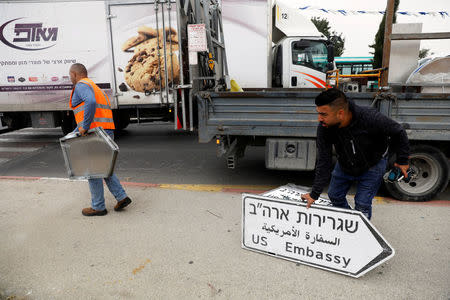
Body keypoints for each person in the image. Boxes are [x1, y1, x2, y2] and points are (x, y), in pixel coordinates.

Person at [301, 88, 410, 219]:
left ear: (340, 113)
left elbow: (399, 132)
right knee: (335, 196)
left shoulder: (369, 117)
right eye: (318, 113)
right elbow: (324, 161)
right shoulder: (324, 128)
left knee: (362, 204)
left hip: (373, 165)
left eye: (323, 114)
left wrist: (402, 161)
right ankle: (348, 222)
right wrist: (314, 194)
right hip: (345, 164)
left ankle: (359, 233)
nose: (319, 119)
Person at [69, 63, 132, 216]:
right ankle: (121, 197)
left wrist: (84, 126)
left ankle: (98, 207)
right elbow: (93, 110)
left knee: (92, 169)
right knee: (103, 167)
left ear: (75, 74)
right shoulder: (94, 87)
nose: (70, 78)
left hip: (95, 133)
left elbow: (90, 103)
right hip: (106, 131)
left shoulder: (81, 86)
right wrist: (75, 132)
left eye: (70, 75)